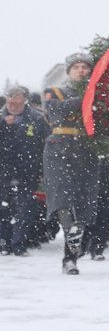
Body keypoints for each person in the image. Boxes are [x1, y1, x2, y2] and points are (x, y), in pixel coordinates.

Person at [41, 53, 102, 274]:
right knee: (62, 198)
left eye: (85, 67)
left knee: (84, 201)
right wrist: (86, 99)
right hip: (60, 150)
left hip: (86, 150)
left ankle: (73, 249)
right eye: (76, 67)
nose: (81, 71)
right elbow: (56, 111)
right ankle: (70, 250)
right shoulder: (54, 91)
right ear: (68, 72)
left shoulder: (100, 95)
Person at [1, 85, 48, 256]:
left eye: (18, 96)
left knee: (25, 208)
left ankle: (19, 244)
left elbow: (45, 145)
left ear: (25, 99)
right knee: (3, 208)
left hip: (27, 171)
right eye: (11, 96)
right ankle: (4, 242)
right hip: (3, 171)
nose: (13, 100)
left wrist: (43, 171)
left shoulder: (36, 118)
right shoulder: (1, 116)